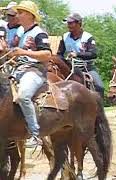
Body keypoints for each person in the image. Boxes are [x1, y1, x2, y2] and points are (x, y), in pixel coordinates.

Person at [10, 1, 52, 147]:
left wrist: (23, 52)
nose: (17, 15)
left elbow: (47, 55)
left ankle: (35, 134)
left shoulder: (38, 33)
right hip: (19, 69)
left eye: (21, 12)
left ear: (29, 15)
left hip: (35, 71)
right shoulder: (22, 32)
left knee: (23, 96)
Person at [57, 13, 104, 98]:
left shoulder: (88, 37)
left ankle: (99, 109)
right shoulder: (64, 36)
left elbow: (93, 54)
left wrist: (77, 54)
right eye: (68, 23)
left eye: (71, 23)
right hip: (69, 66)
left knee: (99, 86)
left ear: (78, 23)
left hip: (87, 67)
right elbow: (60, 53)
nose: (68, 25)